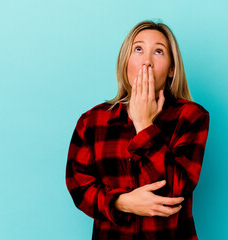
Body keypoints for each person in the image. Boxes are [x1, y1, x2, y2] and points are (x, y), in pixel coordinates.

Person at [65, 20, 210, 240]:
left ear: (172, 69)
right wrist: (122, 203)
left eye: (159, 52)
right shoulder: (92, 121)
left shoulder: (191, 116)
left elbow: (175, 191)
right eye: (139, 49)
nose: (147, 61)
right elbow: (79, 187)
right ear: (126, 62)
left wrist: (144, 124)